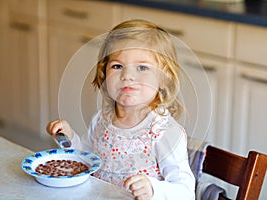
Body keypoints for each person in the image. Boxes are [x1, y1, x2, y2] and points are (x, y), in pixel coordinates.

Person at [46, 19, 195, 200]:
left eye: (142, 67)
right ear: (104, 73)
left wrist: (153, 190)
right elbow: (87, 159)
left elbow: (185, 192)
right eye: (117, 66)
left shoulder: (165, 132)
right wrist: (69, 139)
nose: (127, 76)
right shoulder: (102, 119)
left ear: (164, 79)